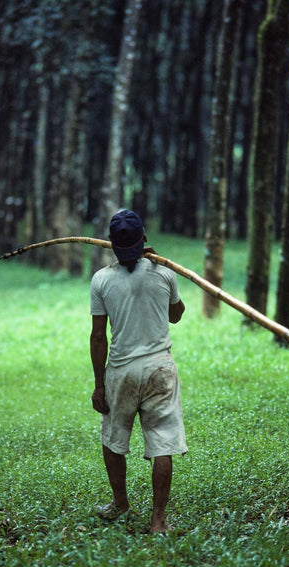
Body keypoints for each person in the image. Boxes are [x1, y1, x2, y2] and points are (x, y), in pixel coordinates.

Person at [90, 209, 187, 533]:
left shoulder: (101, 279)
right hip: (161, 368)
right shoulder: (164, 272)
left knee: (113, 439)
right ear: (144, 237)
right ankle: (158, 521)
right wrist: (164, 268)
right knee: (162, 444)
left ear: (112, 245)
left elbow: (98, 336)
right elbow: (176, 316)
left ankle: (120, 504)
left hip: (121, 370)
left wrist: (99, 384)